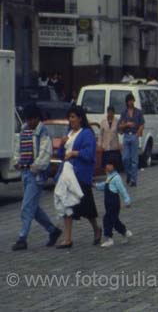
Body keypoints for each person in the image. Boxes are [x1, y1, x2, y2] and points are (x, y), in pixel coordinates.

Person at [11, 104, 63, 251]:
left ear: (36, 118)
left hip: (36, 174)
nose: (28, 122)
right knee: (33, 207)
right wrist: (17, 161)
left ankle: (22, 237)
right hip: (25, 172)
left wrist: (35, 167)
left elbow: (45, 154)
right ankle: (53, 230)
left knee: (26, 206)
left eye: (30, 119)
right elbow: (18, 146)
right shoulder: (24, 130)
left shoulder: (43, 132)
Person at [55, 105, 101, 248]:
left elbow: (89, 154)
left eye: (73, 117)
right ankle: (68, 238)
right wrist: (62, 145)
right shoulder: (69, 133)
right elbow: (61, 156)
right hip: (67, 175)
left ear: (80, 118)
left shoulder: (86, 133)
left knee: (86, 207)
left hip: (80, 175)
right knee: (66, 204)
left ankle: (96, 228)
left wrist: (75, 153)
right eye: (69, 117)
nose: (71, 120)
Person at [95, 162, 132, 248]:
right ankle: (125, 232)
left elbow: (122, 189)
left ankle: (109, 238)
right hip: (108, 203)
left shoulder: (116, 178)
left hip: (113, 203)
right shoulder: (109, 177)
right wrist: (96, 186)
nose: (107, 166)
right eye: (106, 164)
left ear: (113, 166)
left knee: (107, 219)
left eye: (109, 165)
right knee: (114, 220)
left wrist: (127, 200)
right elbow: (105, 185)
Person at [118, 94, 144, 187]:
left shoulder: (138, 112)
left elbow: (142, 123)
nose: (131, 102)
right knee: (125, 158)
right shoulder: (124, 113)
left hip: (134, 135)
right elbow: (120, 126)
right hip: (126, 135)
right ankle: (129, 173)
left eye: (132, 100)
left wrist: (138, 132)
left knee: (134, 159)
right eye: (129, 101)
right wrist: (126, 124)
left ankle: (134, 179)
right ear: (127, 102)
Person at [98, 106, 121, 171]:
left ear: (113, 113)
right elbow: (100, 134)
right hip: (106, 147)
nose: (110, 114)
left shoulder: (117, 121)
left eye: (112, 112)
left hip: (114, 147)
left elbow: (120, 132)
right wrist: (100, 145)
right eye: (109, 112)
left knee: (114, 164)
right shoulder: (103, 121)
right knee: (106, 165)